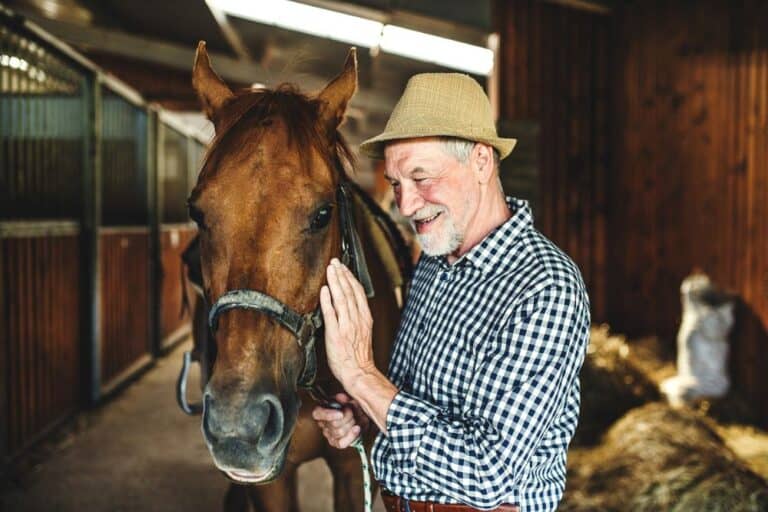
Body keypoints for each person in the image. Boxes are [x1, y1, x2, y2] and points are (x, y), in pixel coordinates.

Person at [312, 73, 590, 512]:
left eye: (421, 178)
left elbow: (487, 473)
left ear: (481, 162)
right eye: (397, 184)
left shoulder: (544, 286)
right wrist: (363, 410)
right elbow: (412, 399)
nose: (405, 206)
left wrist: (362, 376)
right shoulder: (434, 262)